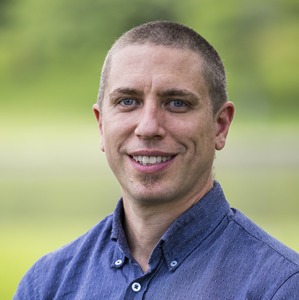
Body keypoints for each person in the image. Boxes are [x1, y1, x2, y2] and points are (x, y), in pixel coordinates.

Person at [14, 21, 299, 299]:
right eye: (128, 101)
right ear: (101, 126)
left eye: (177, 103)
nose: (148, 127)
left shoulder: (280, 286)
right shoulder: (46, 284)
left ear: (220, 126)